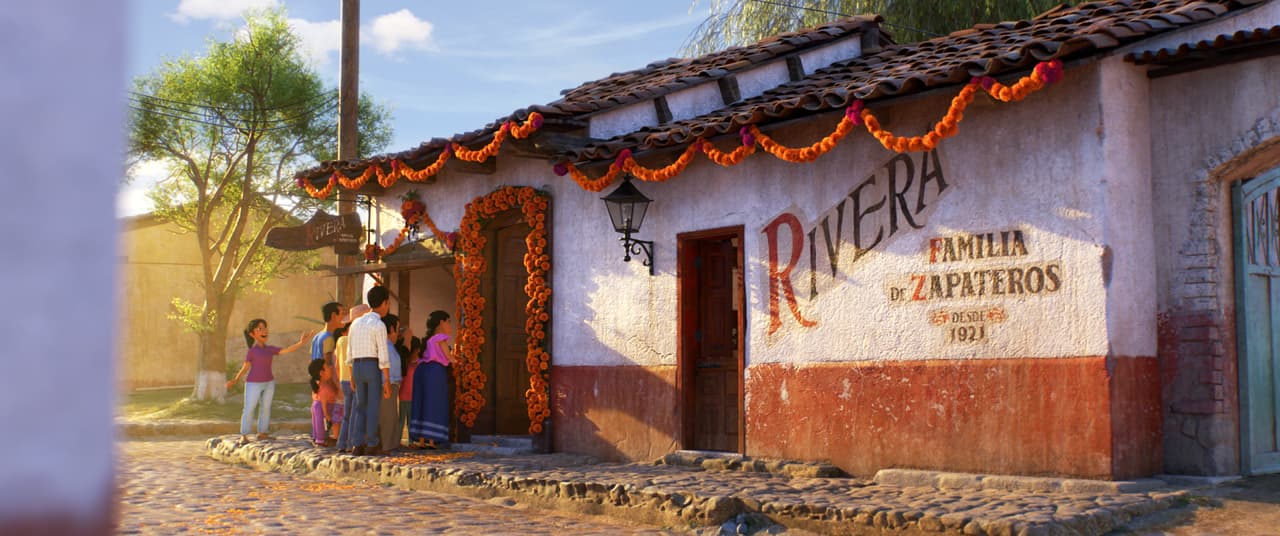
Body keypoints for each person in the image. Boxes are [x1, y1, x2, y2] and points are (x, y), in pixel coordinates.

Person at [226, 319, 312, 443]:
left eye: (265, 328)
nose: (264, 331)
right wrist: (235, 379)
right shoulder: (252, 352)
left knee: (266, 408)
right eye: (259, 329)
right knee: (249, 408)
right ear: (252, 334)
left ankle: (262, 433)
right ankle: (244, 435)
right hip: (253, 384)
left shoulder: (270, 349)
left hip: (269, 383)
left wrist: (301, 343)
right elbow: (245, 367)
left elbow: (286, 350)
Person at [346, 287, 393, 456]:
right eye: (388, 303)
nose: (388, 307)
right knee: (373, 405)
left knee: (360, 406)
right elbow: (383, 353)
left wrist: (351, 374)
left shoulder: (356, 323)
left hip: (357, 366)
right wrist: (387, 379)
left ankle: (357, 444)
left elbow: (349, 352)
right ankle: (372, 443)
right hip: (372, 365)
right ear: (384, 303)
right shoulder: (379, 325)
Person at [410, 310, 453, 449]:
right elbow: (448, 357)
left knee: (422, 402)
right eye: (448, 322)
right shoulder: (441, 337)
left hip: (422, 371)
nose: (449, 325)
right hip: (435, 372)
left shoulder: (428, 340)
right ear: (441, 322)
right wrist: (461, 360)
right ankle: (432, 440)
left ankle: (421, 440)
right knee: (434, 403)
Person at [334, 304, 368, 453]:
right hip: (354, 379)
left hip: (343, 380)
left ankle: (341, 443)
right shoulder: (355, 340)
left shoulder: (340, 341)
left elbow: (336, 364)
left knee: (347, 414)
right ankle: (352, 443)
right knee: (355, 412)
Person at [378, 314, 404, 452]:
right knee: (388, 417)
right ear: (392, 329)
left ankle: (390, 444)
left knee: (391, 415)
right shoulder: (385, 347)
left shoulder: (389, 346)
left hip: (391, 384)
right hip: (387, 384)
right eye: (397, 330)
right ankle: (387, 445)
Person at [308, 359, 340, 447]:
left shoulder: (324, 384)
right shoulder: (324, 387)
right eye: (328, 367)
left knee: (318, 424)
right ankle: (321, 440)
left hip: (317, 406)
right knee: (321, 424)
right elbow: (323, 403)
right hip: (321, 409)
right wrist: (327, 415)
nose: (331, 368)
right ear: (322, 373)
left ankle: (318, 438)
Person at [397, 332, 422, 445]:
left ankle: (411, 441)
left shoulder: (419, 364)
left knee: (411, 421)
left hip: (413, 397)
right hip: (403, 396)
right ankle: (397, 441)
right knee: (401, 421)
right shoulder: (405, 363)